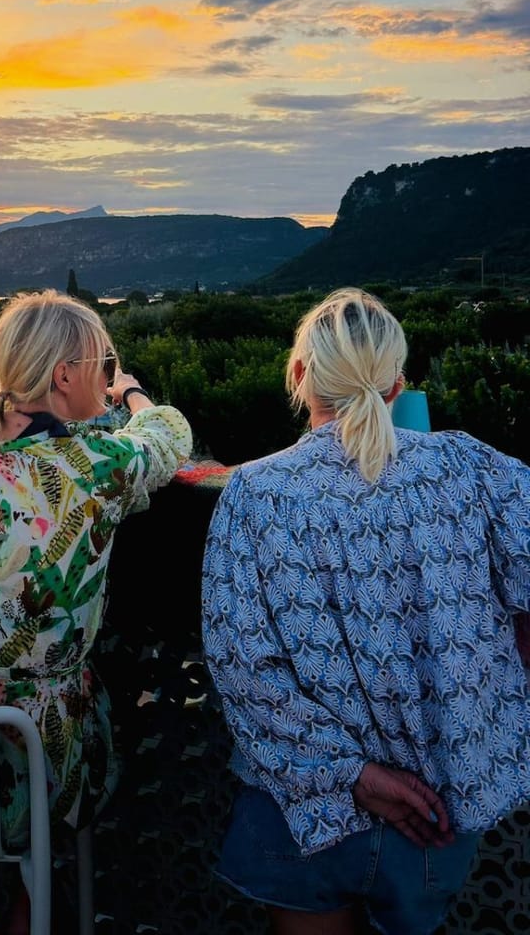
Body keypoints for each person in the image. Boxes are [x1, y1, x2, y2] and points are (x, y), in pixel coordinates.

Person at [201, 287, 530, 935]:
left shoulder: (254, 492)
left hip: (303, 815)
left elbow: (241, 666)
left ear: (299, 374)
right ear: (397, 383)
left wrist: (351, 775)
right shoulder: (470, 467)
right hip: (440, 805)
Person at [0, 289, 192, 927]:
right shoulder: (94, 465)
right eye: (102, 366)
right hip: (31, 762)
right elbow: (170, 436)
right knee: (115, 709)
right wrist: (132, 396)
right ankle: (39, 901)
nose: (105, 380)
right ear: (65, 375)